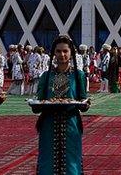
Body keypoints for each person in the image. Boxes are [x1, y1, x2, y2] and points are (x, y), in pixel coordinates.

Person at [35, 35, 89, 175]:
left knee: (71, 163)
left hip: (71, 124)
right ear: (53, 53)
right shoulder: (46, 76)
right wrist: (36, 105)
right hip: (48, 124)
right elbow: (39, 102)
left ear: (71, 53)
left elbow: (82, 99)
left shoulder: (79, 75)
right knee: (48, 162)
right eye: (58, 51)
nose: (62, 55)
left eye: (65, 51)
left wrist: (85, 104)